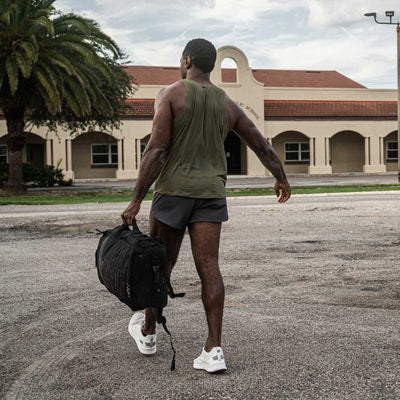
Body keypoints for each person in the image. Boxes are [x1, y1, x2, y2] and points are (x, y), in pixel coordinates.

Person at [121, 38, 291, 373]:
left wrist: (137, 199)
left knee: (161, 267)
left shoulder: (170, 94)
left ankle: (149, 332)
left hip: (172, 193)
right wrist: (281, 176)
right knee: (209, 268)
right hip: (211, 194)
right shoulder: (227, 102)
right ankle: (213, 350)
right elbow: (258, 141)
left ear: (186, 61)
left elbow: (156, 149)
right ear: (211, 66)